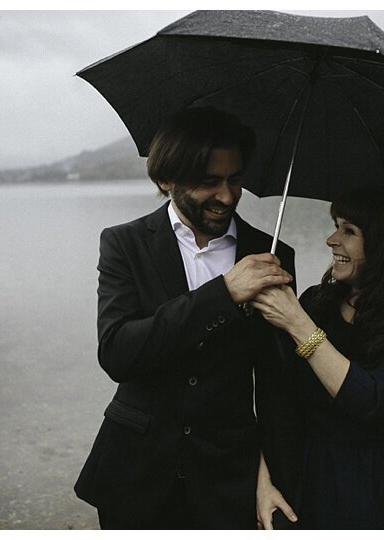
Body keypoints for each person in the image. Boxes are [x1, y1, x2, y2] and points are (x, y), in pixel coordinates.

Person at [74, 107, 298, 529]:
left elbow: (276, 386)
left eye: (235, 180)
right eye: (209, 181)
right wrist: (224, 294)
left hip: (229, 478)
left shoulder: (272, 256)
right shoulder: (124, 243)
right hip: (134, 473)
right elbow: (118, 353)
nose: (227, 196)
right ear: (166, 180)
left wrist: (270, 475)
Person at [251, 186, 384, 529]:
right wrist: (262, 483)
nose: (332, 240)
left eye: (349, 231)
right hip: (302, 477)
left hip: (378, 487)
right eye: (336, 226)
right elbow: (275, 402)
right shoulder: (316, 303)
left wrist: (298, 325)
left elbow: (372, 399)